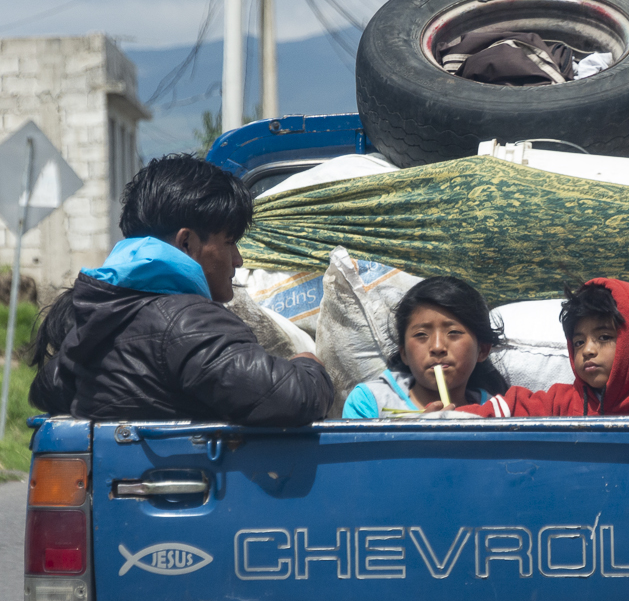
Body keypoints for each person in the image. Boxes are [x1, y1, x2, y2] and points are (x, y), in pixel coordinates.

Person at [29, 154, 333, 425]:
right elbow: (290, 398)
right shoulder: (188, 321)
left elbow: (47, 388)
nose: (238, 259)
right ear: (186, 242)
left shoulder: (101, 315)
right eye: (229, 242)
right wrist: (309, 365)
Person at [460, 278, 629, 418]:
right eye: (578, 342)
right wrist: (450, 418)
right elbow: (514, 407)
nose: (587, 351)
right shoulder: (562, 403)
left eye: (604, 337)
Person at [342, 276, 508, 418]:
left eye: (453, 332)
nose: (437, 347)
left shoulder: (498, 411)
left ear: (483, 350)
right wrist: (420, 435)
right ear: (404, 353)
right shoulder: (370, 402)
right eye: (421, 334)